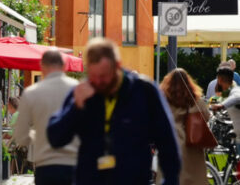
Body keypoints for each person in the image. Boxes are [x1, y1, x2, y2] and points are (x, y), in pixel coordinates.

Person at [47, 37, 181, 185]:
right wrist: (75, 108)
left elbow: (167, 142)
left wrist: (170, 181)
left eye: (104, 77)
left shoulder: (144, 91)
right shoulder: (83, 93)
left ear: (117, 66)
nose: (98, 82)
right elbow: (55, 138)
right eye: (93, 76)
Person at [12, 48, 79, 185]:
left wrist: (38, 135)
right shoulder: (79, 90)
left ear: (42, 66)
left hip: (46, 165)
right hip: (74, 164)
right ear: (64, 66)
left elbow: (21, 137)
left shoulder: (31, 93)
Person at [159, 67, 211, 185]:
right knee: (194, 179)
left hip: (171, 143)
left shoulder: (164, 100)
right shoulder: (196, 100)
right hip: (192, 144)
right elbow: (206, 116)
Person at [209, 66, 240, 151]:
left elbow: (237, 97)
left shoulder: (235, 90)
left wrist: (221, 105)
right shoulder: (224, 92)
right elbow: (214, 100)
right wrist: (211, 106)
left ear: (219, 79)